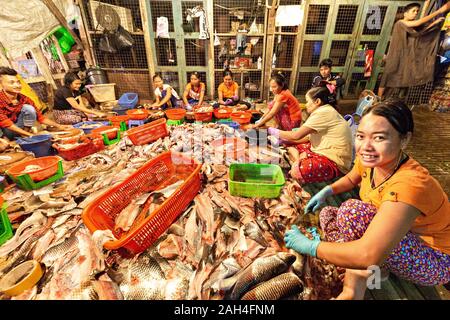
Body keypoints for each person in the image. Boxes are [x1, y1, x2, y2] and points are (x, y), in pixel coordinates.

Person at [284, 99, 450, 300]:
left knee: (352, 212)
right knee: (328, 213)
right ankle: (362, 262)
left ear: (404, 140)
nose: (365, 146)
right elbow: (352, 177)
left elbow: (368, 254)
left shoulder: (411, 183)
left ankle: (354, 289)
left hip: (433, 258)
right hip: (398, 235)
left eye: (379, 138)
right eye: (360, 136)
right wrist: (327, 191)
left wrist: (312, 247)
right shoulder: (373, 161)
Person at [268, 87, 353, 184]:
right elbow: (308, 137)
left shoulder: (324, 112)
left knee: (298, 171)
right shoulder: (325, 111)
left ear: (317, 101)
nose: (306, 105)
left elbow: (296, 135)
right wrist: (286, 141)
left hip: (335, 161)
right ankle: (300, 158)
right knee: (290, 145)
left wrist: (271, 130)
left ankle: (299, 161)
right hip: (323, 150)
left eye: (308, 101)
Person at [377, 2, 450, 99]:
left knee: (401, 77)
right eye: (413, 11)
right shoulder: (400, 23)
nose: (415, 13)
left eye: (417, 11)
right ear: (405, 14)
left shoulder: (410, 26)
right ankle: (378, 99)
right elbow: (418, 23)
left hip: (404, 56)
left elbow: (420, 33)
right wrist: (439, 12)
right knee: (387, 76)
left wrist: (434, 23)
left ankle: (391, 99)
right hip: (395, 55)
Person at [0, 67, 69, 139]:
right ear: (1, 84)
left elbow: (41, 118)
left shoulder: (24, 99)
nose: (17, 85)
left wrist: (60, 126)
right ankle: (7, 138)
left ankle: (23, 134)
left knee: (29, 109)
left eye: (18, 82)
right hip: (6, 130)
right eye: (12, 83)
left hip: (17, 128)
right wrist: (31, 135)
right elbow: (6, 124)